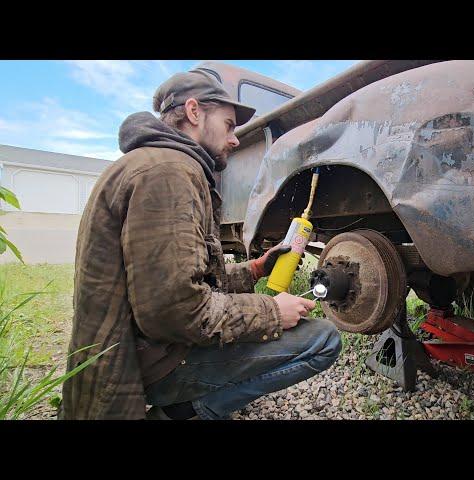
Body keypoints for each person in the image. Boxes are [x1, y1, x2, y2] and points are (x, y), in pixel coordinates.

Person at [59, 65, 342, 420]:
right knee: (323, 340)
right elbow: (173, 312)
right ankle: (182, 413)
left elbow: (181, 280)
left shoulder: (153, 163)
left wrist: (255, 268)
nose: (235, 139)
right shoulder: (168, 172)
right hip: (141, 365)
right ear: (194, 112)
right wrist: (271, 312)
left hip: (139, 348)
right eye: (228, 125)